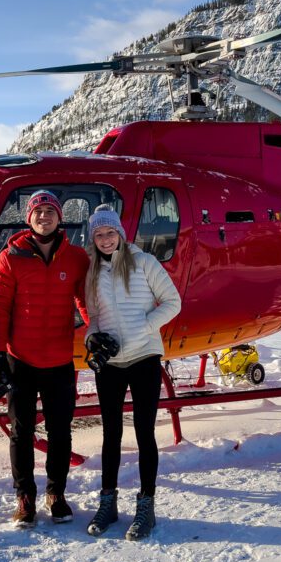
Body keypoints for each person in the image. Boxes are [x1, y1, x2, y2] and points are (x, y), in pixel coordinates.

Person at [0, 189, 89, 528]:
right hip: (22, 360)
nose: (44, 216)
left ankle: (56, 494)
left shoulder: (76, 258)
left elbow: (86, 301)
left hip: (60, 360)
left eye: (50, 211)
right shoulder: (10, 257)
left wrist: (97, 331)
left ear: (60, 217)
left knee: (61, 432)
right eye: (38, 211)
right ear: (28, 218)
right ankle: (25, 497)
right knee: (21, 431)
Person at [83, 204, 181, 540]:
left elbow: (172, 302)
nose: (106, 239)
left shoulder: (144, 262)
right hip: (110, 363)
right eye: (99, 234)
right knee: (111, 435)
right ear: (93, 239)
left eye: (110, 233)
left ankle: (145, 507)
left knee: (143, 432)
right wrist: (92, 338)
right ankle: (108, 504)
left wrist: (144, 327)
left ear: (121, 235)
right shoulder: (94, 272)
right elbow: (93, 317)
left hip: (144, 357)